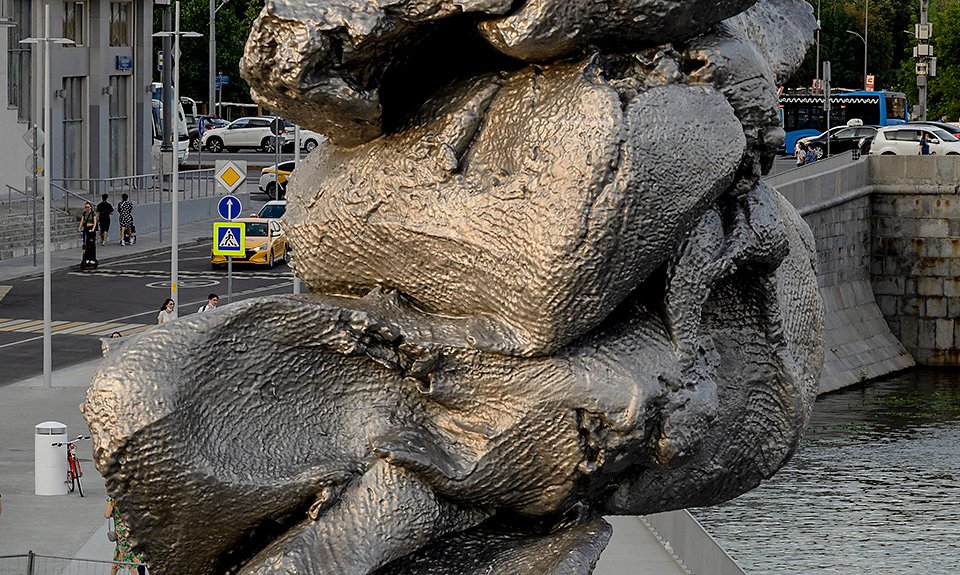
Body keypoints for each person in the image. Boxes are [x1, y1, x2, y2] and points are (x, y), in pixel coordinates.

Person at [105, 497, 146, 575]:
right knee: (121, 555)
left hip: (122, 533)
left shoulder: (112, 499)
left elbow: (107, 515)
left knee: (128, 558)